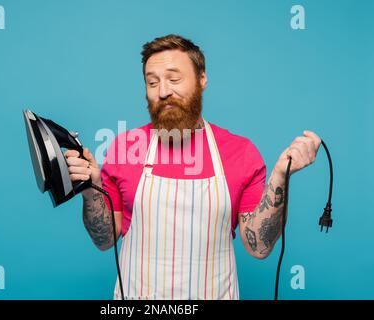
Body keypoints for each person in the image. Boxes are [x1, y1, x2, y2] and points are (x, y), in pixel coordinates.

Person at [64, 34, 321, 300]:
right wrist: (91, 190)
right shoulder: (125, 148)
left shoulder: (240, 152)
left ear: (202, 80)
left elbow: (260, 247)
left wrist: (281, 177)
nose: (163, 91)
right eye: (152, 82)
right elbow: (104, 240)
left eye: (174, 79)